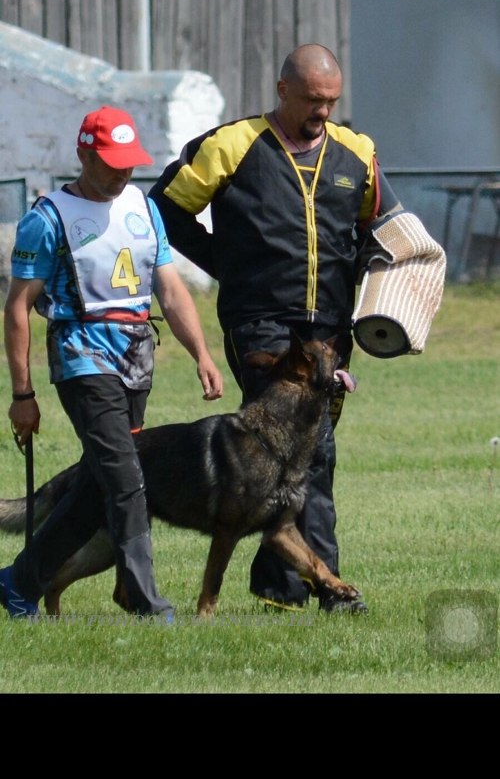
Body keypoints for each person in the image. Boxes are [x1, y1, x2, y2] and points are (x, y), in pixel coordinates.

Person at [148, 43, 406, 614]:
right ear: (283, 89)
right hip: (260, 323)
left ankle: (281, 588)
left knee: (297, 457)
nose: (323, 113)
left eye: (331, 102)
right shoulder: (230, 145)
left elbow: (384, 226)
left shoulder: (356, 153)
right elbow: (163, 210)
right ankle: (328, 587)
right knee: (308, 448)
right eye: (313, 101)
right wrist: (225, 264)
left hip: (331, 330)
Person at [0, 105, 223, 621]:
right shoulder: (47, 218)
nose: (122, 171)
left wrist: (202, 355)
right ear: (83, 153)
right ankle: (148, 604)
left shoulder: (144, 209)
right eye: (110, 161)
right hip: (82, 359)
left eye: (129, 162)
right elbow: (17, 308)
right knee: (126, 478)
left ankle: (17, 583)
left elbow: (169, 289)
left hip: (136, 358)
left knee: (96, 489)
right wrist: (22, 396)